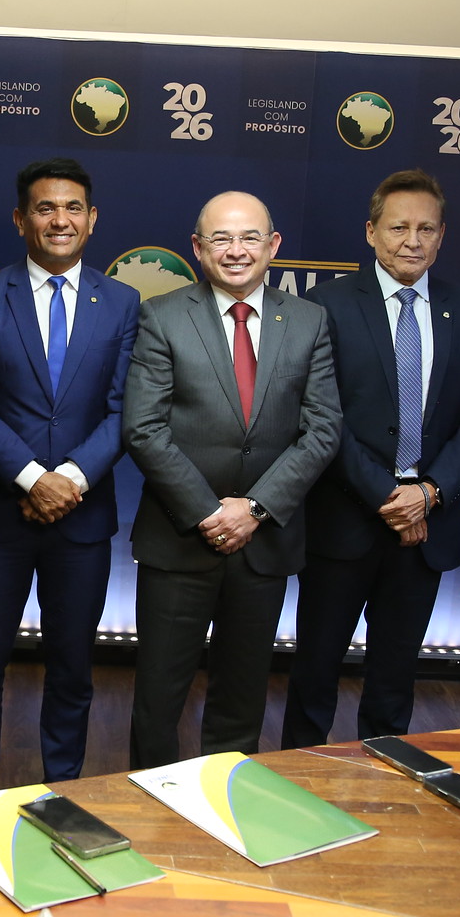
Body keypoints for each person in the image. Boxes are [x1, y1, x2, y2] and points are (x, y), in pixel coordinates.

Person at [122, 191, 341, 768]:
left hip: (263, 545)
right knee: (157, 701)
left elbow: (323, 430)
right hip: (179, 542)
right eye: (221, 238)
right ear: (198, 248)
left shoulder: (309, 320)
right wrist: (210, 512)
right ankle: (151, 807)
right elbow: (143, 429)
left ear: (273, 246)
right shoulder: (162, 315)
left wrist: (255, 509)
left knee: (241, 703)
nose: (236, 250)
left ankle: (226, 808)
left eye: (249, 238)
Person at [283, 171, 460, 746]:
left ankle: (386, 783)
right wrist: (386, 496)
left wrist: (428, 493)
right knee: (315, 673)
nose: (412, 241)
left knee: (395, 680)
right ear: (371, 232)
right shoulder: (325, 306)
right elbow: (322, 417)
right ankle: (295, 780)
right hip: (345, 519)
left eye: (426, 228)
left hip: (426, 523)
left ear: (442, 235)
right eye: (399, 227)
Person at [0, 158, 139, 793]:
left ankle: (64, 794)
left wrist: (72, 480)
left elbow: (125, 408)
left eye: (72, 208)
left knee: (72, 671)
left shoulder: (122, 302)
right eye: (44, 208)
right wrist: (33, 478)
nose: (60, 219)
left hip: (82, 522)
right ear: (20, 219)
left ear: (92, 219)